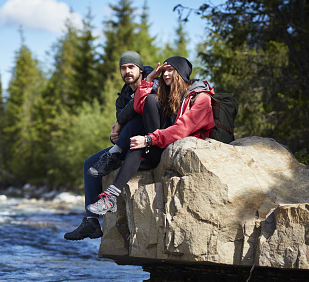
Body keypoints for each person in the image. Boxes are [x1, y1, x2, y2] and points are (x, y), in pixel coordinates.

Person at [85, 56, 216, 216]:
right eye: (164, 71)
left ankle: (115, 159)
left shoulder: (201, 98)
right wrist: (149, 78)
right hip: (164, 144)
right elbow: (139, 106)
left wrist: (148, 139)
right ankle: (110, 197)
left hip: (185, 148)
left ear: (181, 73)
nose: (166, 74)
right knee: (150, 101)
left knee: (140, 143)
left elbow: (182, 130)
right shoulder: (169, 94)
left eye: (171, 70)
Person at [64, 51, 159, 241]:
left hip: (153, 141)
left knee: (137, 115)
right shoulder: (122, 97)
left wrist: (122, 123)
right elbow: (120, 122)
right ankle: (91, 221)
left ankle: (115, 155)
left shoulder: (154, 82)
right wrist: (115, 136)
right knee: (90, 164)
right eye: (123, 68)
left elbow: (129, 115)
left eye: (131, 67)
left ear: (140, 69)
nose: (127, 71)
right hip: (129, 143)